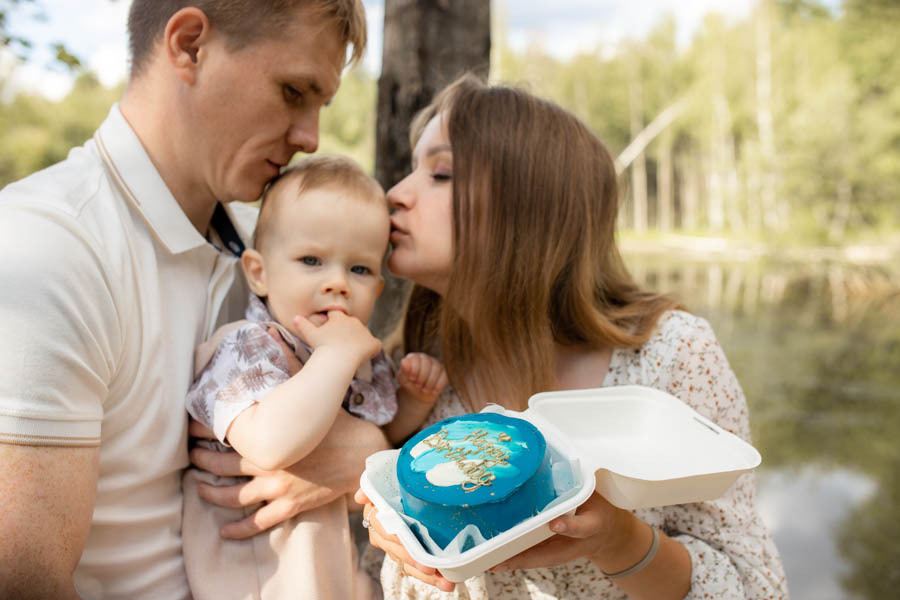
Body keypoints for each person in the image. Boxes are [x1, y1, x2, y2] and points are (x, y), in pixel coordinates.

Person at [0, 2, 384, 598]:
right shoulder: (45, 249)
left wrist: (367, 449)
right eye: (292, 91)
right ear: (189, 46)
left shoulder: (283, 246)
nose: (310, 137)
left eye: (320, 105)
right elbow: (25, 581)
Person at [354, 75, 790, 599]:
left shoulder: (671, 357)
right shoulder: (416, 371)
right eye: (410, 170)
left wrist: (621, 542)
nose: (395, 195)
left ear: (531, 206)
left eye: (441, 173)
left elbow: (757, 589)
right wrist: (402, 542)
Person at [182, 156, 447, 599]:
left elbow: (377, 435)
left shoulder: (352, 356)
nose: (338, 283)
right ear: (259, 272)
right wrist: (336, 357)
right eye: (312, 260)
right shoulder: (248, 346)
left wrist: (414, 401)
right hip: (253, 577)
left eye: (359, 269)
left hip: (328, 570)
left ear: (377, 289)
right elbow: (270, 444)